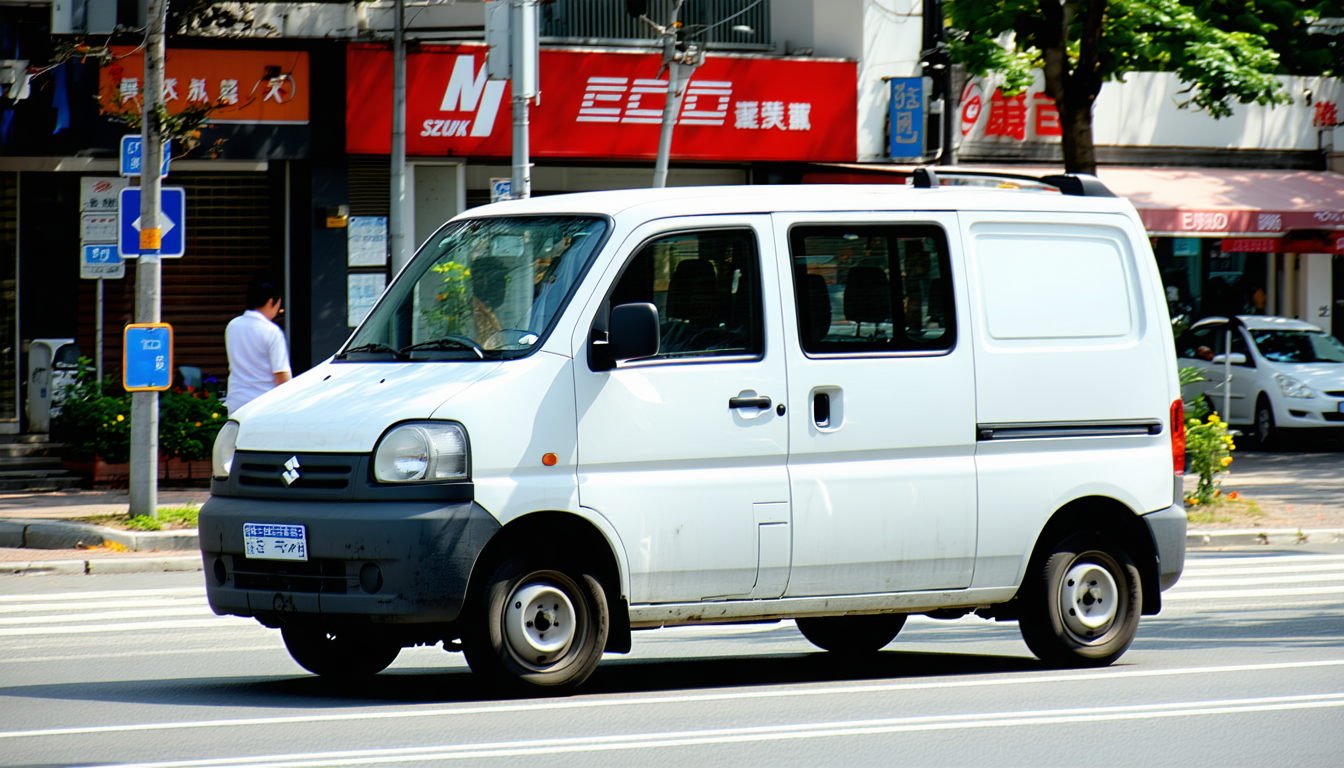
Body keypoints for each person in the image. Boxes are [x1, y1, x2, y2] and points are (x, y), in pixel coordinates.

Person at [224, 276, 292, 413]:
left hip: (236, 403)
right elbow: (281, 377)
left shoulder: (232, 326)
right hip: (264, 405)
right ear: (271, 302)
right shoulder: (272, 332)